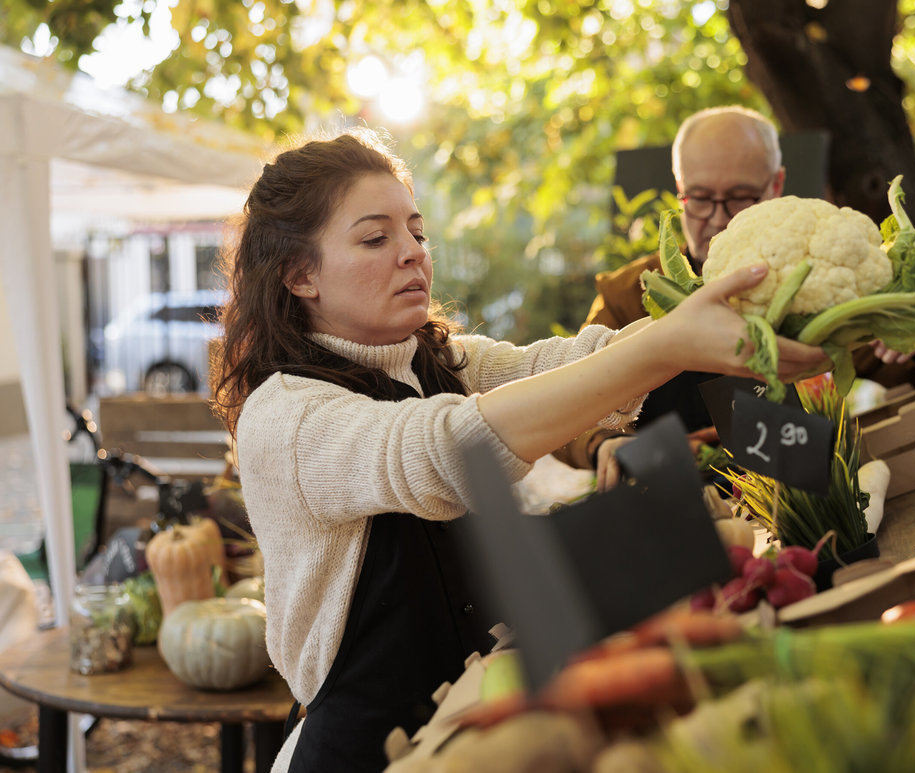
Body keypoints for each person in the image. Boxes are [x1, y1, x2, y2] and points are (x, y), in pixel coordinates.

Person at [210, 127, 828, 772]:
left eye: (417, 233)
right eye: (375, 238)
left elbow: (568, 360)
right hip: (361, 748)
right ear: (299, 274)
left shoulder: (440, 361)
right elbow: (443, 454)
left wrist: (706, 319)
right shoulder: (285, 416)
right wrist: (668, 345)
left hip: (478, 727)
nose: (411, 254)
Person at [561, 106, 915, 489]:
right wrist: (601, 445)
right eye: (699, 198)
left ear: (776, 185)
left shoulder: (814, 290)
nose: (715, 218)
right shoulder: (629, 295)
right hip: (674, 510)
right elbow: (563, 403)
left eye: (738, 197)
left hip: (800, 512)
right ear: (679, 187)